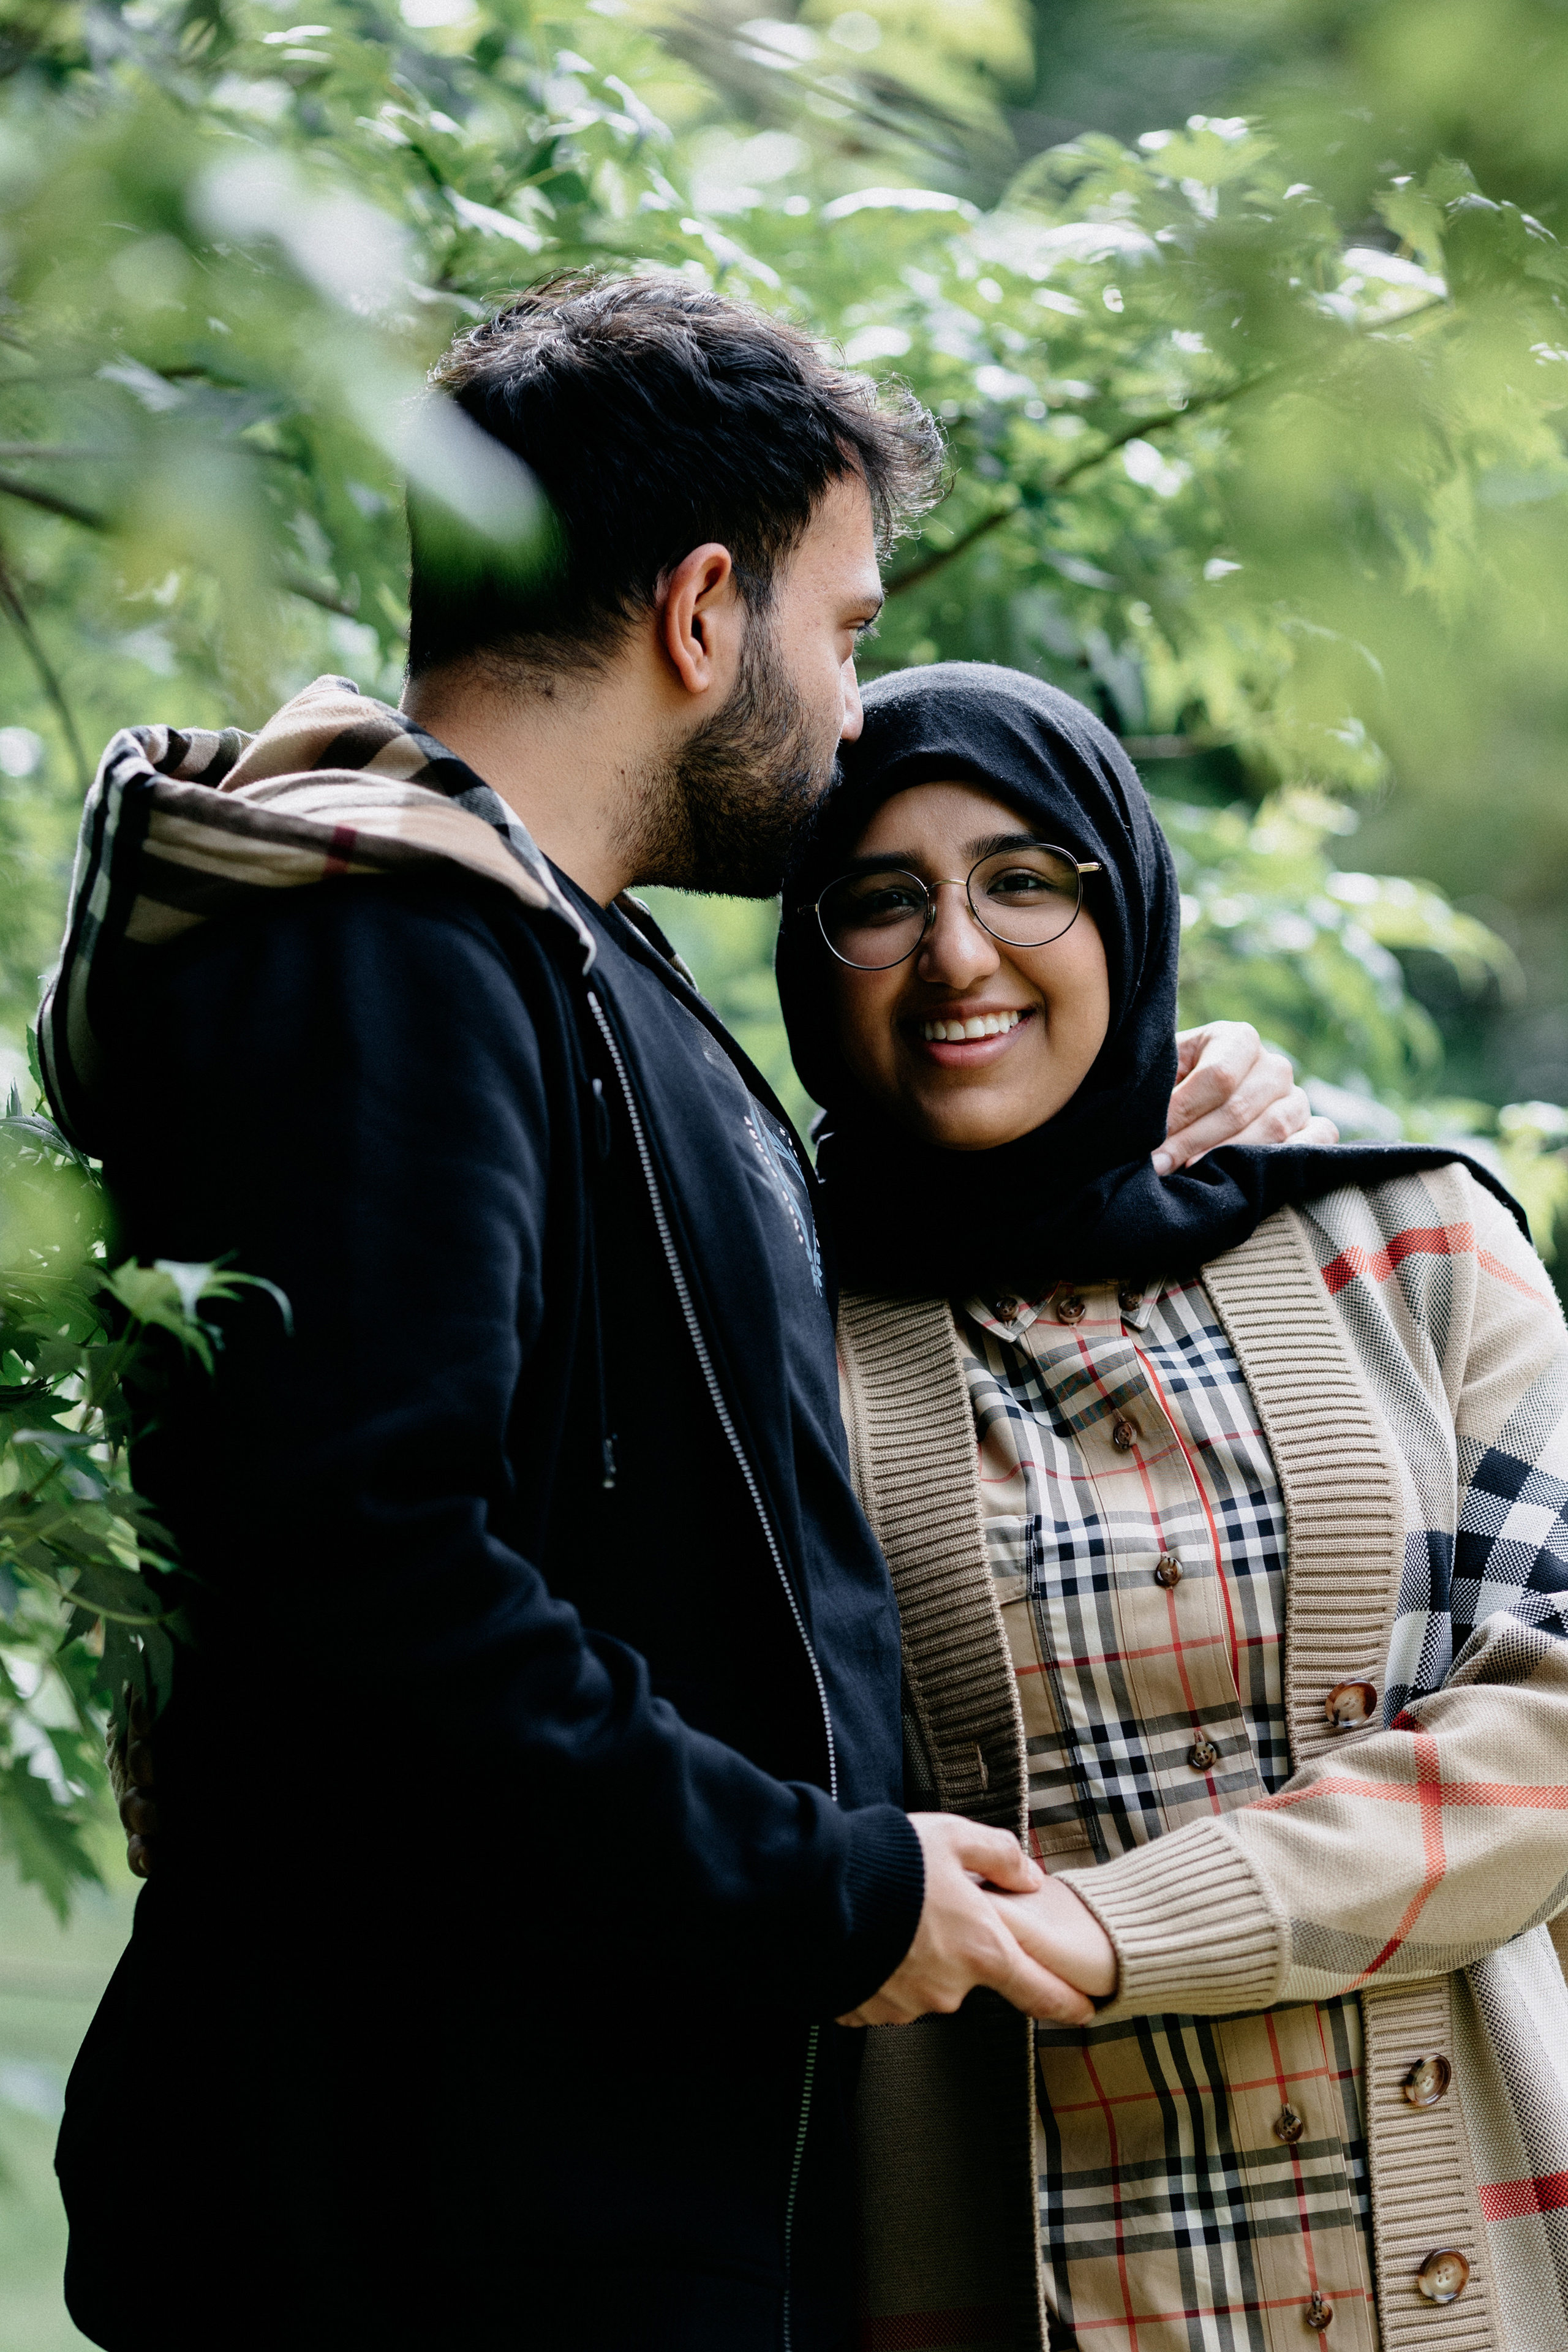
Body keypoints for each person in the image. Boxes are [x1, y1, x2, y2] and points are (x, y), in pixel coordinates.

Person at [42, 281, 1320, 2351]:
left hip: (595, 2202)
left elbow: (694, 1426)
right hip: (412, 2224)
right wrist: (826, 1890)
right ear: (705, 611)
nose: (849, 702)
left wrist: (1124, 1129)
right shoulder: (375, 952)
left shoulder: (564, 961)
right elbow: (364, 1576)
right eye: (849, 627)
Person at [774, 662, 1568, 2352]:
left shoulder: (1410, 1250)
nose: (961, 956)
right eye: (880, 901)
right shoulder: (759, 1332)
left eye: (1026, 881)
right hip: (1009, 2266)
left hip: (1458, 2263)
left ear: (1126, 906)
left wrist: (1115, 1923)